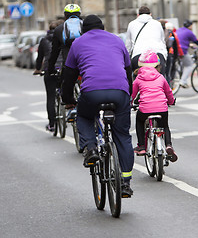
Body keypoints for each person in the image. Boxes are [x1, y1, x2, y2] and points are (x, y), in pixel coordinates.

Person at [61, 15, 134, 197]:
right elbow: (128, 71)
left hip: (92, 92)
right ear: (103, 27)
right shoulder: (117, 40)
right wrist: (129, 95)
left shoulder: (78, 43)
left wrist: (68, 98)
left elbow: (69, 76)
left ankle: (91, 148)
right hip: (120, 92)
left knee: (84, 116)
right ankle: (125, 182)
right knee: (123, 135)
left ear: (84, 29)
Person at [131, 50, 177, 162]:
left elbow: (132, 94)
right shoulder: (161, 77)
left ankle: (141, 145)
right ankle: (168, 145)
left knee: (139, 121)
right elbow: (168, 92)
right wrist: (170, 102)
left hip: (145, 108)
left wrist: (130, 103)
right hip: (162, 108)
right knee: (165, 126)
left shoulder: (138, 79)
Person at [33, 20, 64, 132]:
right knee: (67, 91)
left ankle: (52, 124)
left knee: (51, 97)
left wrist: (37, 69)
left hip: (49, 70)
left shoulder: (44, 40)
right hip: (64, 69)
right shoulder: (65, 37)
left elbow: (40, 58)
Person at [125, 6, 167, 76]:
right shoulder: (157, 24)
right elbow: (162, 41)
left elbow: (128, 45)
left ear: (138, 15)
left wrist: (129, 56)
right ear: (150, 14)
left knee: (138, 79)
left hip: (138, 55)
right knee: (161, 79)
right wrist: (164, 56)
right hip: (157, 54)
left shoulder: (131, 24)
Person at [47, 4, 82, 75]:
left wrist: (50, 68)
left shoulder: (59, 29)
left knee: (65, 85)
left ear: (65, 15)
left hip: (68, 64)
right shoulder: (85, 26)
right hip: (84, 63)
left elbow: (55, 52)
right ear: (79, 14)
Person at [176, 19, 198, 88]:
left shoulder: (179, 30)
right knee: (189, 65)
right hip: (182, 51)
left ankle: (180, 77)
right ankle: (183, 81)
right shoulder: (189, 32)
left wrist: (189, 45)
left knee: (182, 64)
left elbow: (181, 40)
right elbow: (196, 41)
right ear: (190, 26)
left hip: (176, 50)